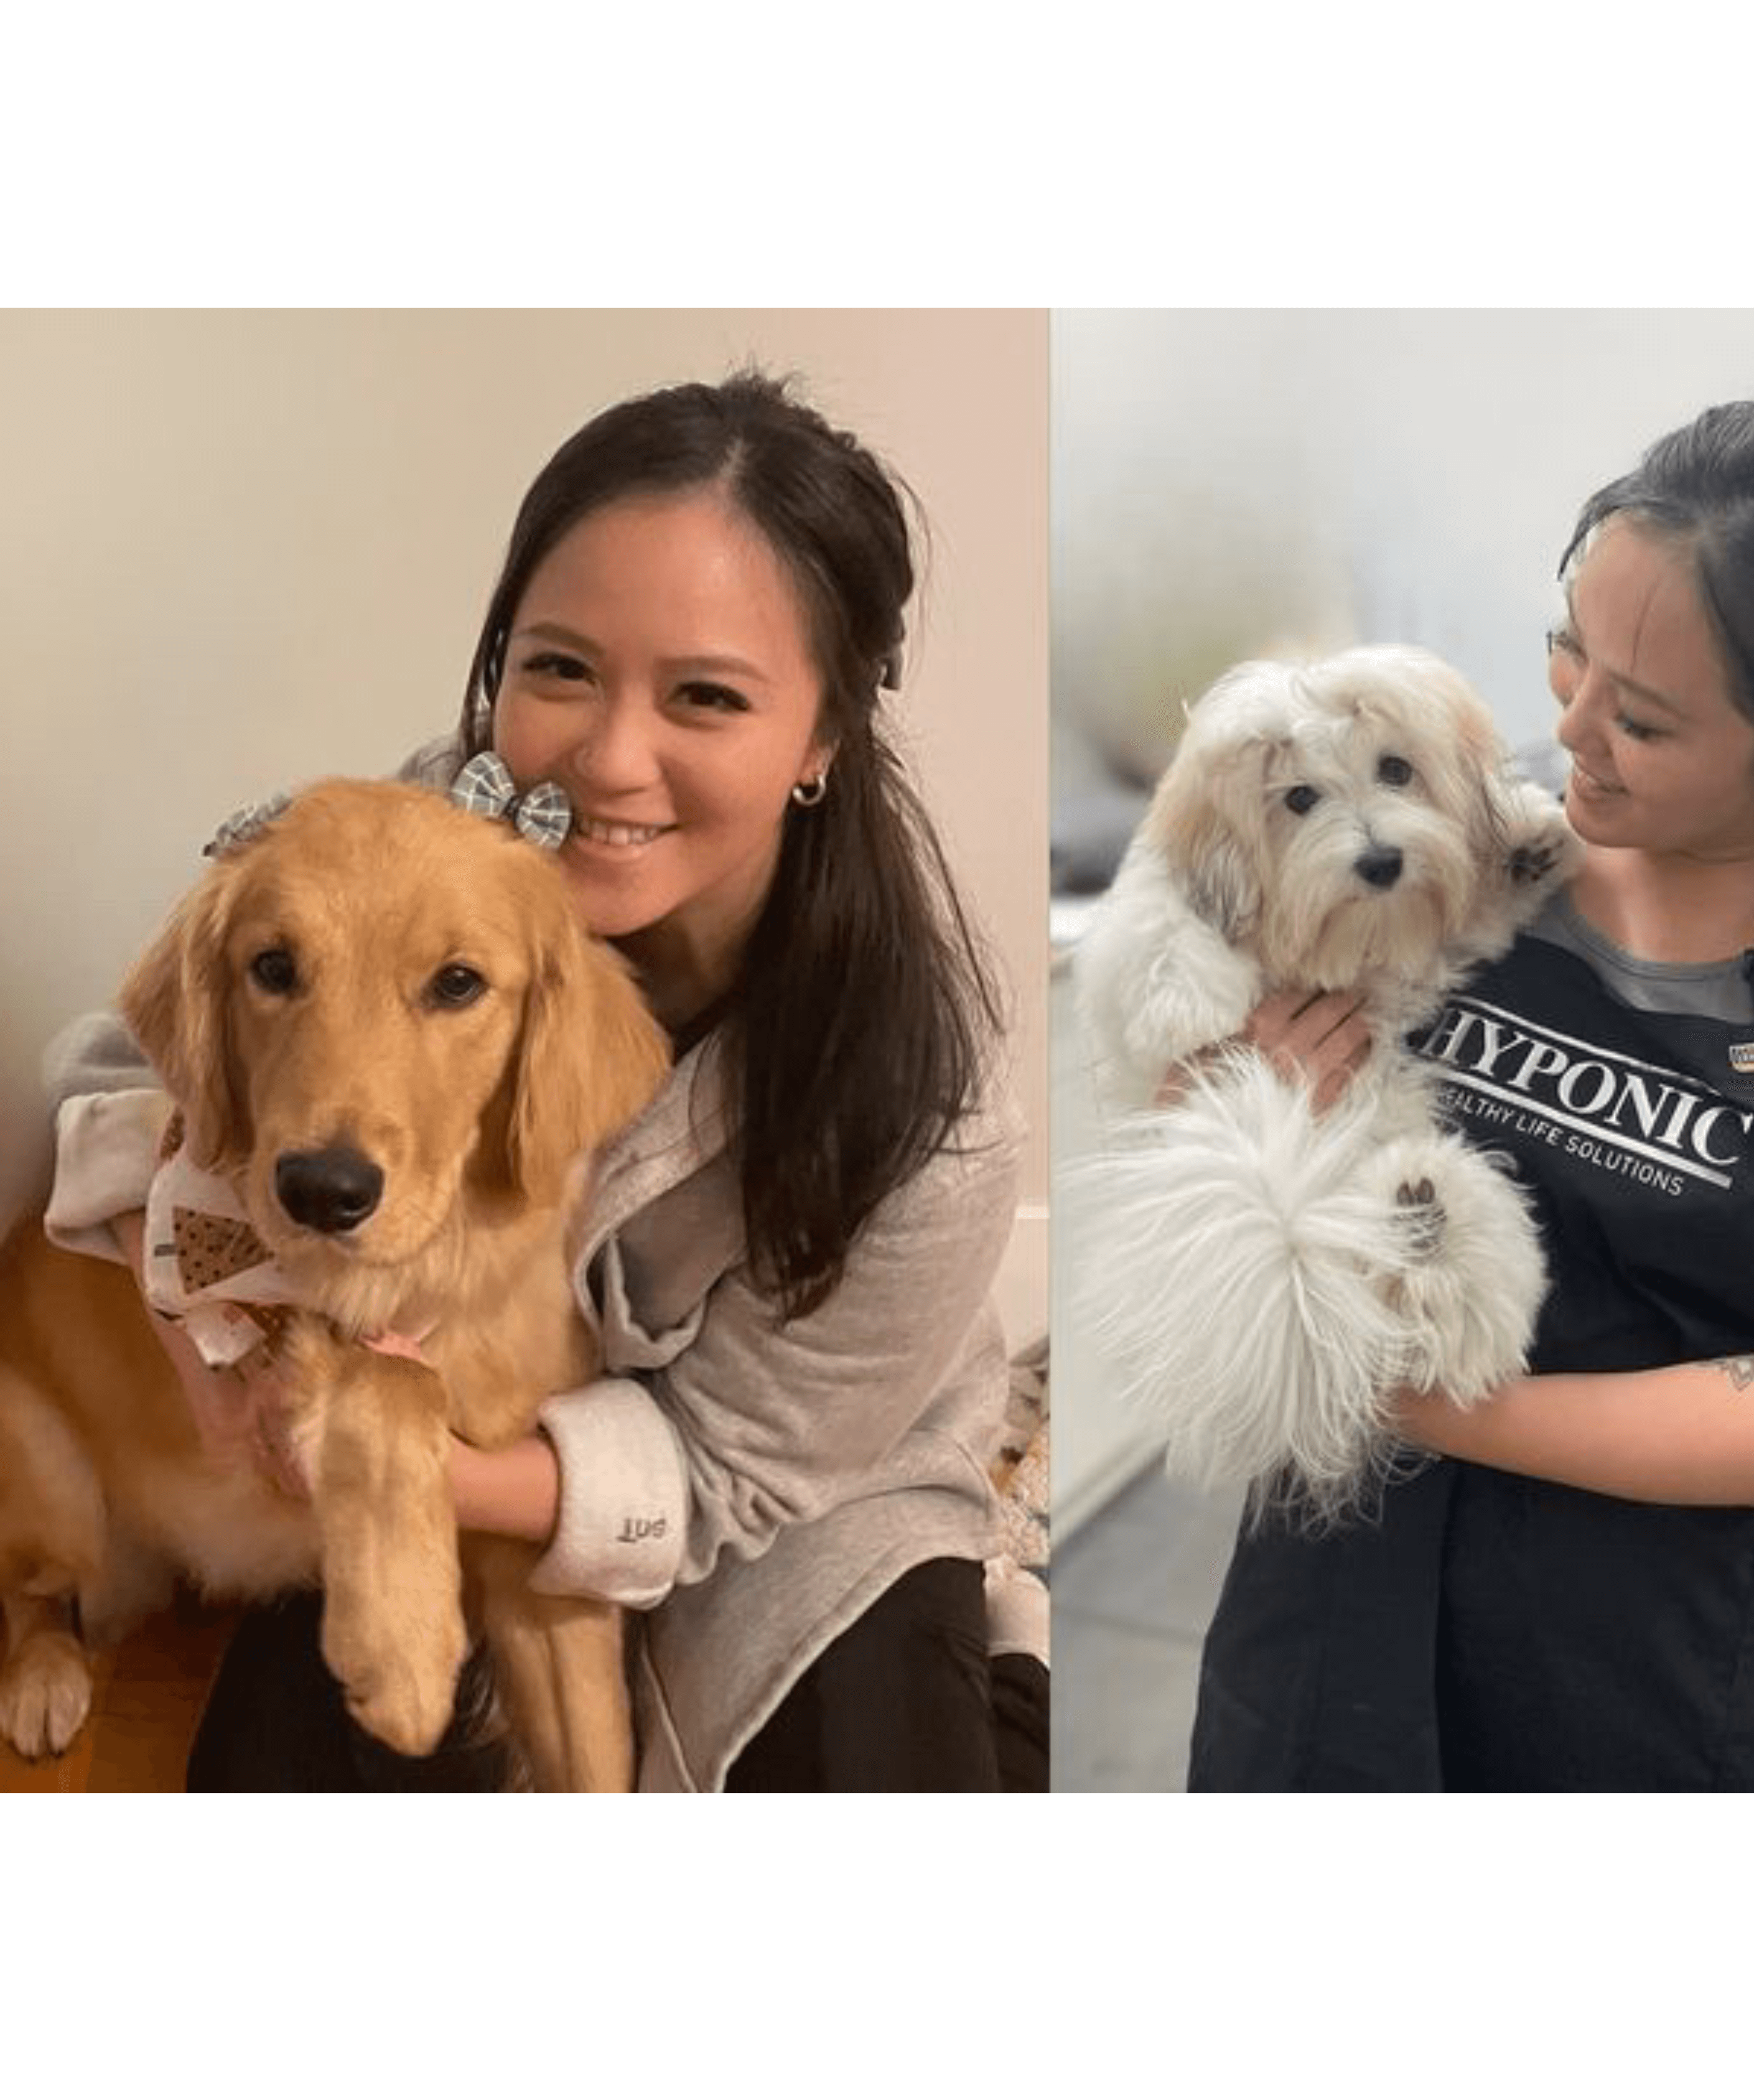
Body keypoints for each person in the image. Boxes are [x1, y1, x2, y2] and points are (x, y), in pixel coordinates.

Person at [42, 370, 1048, 1791]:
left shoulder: (930, 1110)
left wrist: (409, 1473)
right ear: (498, 661)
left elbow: (730, 1481)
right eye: (559, 667)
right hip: (457, 1391)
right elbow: (132, 1069)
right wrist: (203, 1347)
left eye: (706, 695)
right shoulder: (427, 840)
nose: (605, 760)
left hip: (784, 1489)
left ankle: (1012, 1650)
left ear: (823, 735)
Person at [1186, 390, 1754, 1791]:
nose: (1576, 732)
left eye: (1647, 723)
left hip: (1672, 1696)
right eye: (1569, 653)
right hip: (1326, 1644)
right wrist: (1248, 1119)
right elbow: (1198, 1084)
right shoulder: (1459, 839)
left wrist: (1386, 1391)